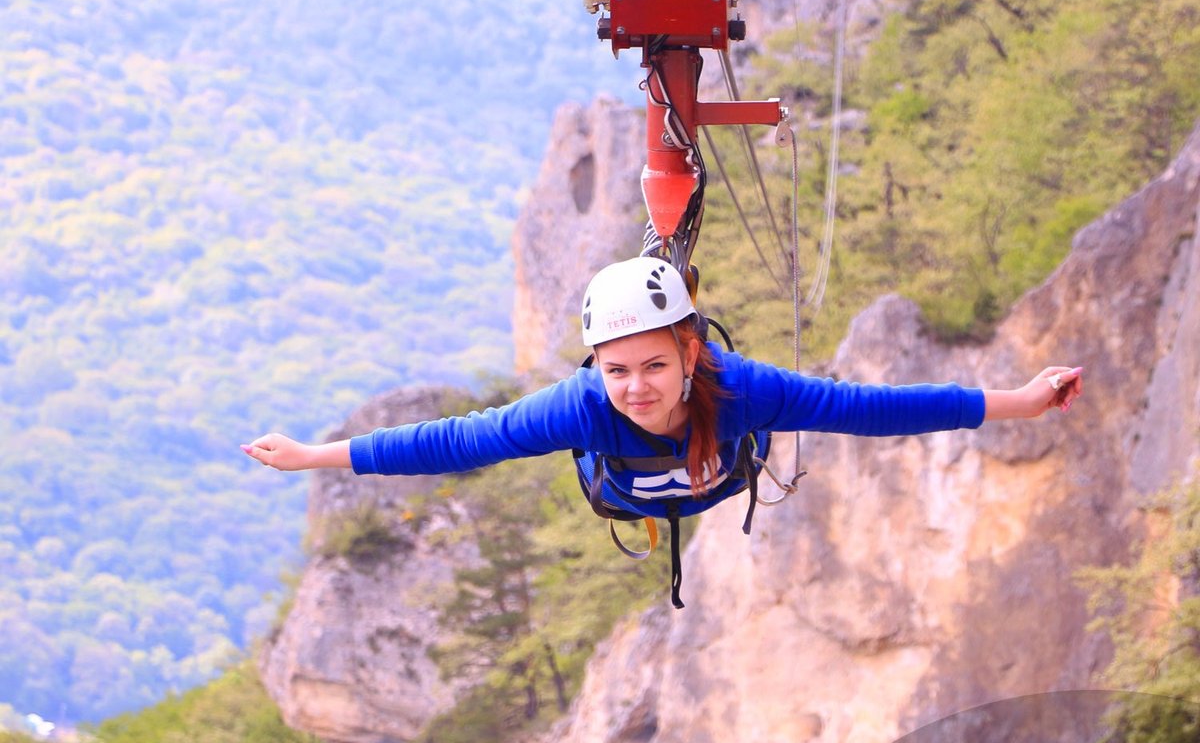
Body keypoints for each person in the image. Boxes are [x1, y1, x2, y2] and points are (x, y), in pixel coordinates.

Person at [243, 257, 1083, 603]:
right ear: (595, 369)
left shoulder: (744, 390)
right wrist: (317, 457)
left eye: (653, 366)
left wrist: (1020, 399)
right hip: (623, 492)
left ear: (690, 351)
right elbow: (456, 443)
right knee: (524, 436)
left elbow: (874, 409)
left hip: (716, 474)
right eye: (616, 370)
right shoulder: (582, 409)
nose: (635, 389)